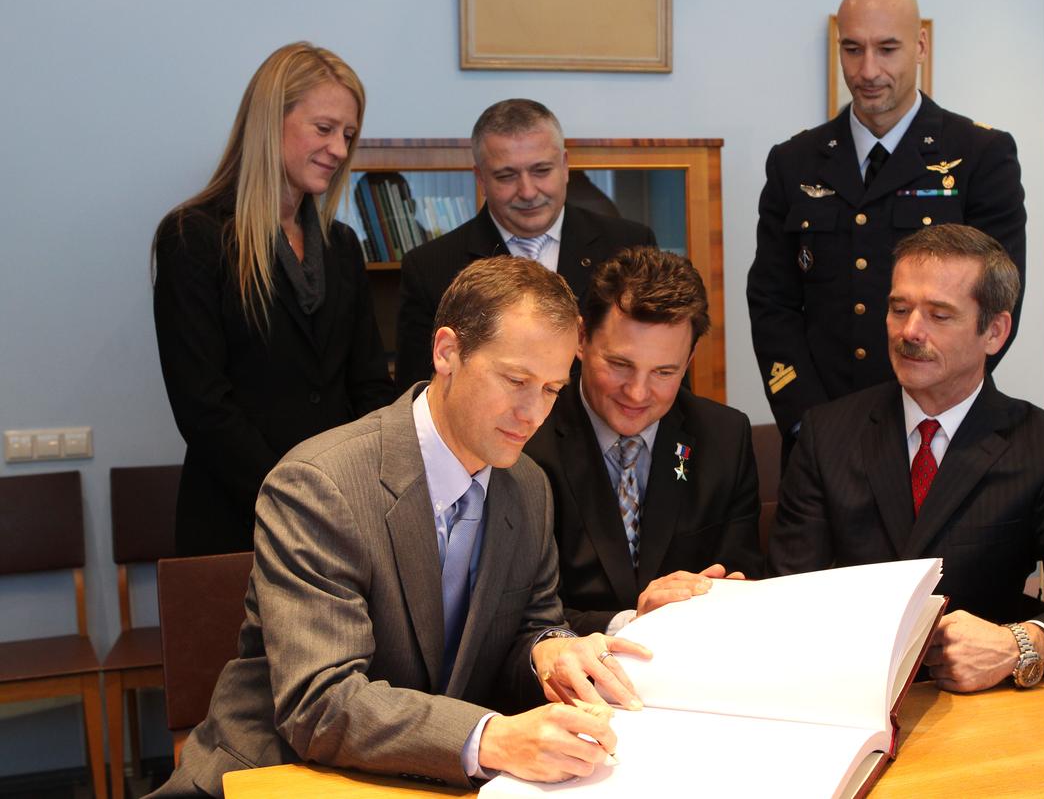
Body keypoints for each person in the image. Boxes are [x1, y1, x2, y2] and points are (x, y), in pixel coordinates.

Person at [150, 257, 652, 797]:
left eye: (552, 389)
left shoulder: (528, 486)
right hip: (277, 772)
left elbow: (529, 625)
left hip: (424, 778)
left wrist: (547, 652)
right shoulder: (319, 485)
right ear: (446, 352)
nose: (533, 414)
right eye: (515, 380)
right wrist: (491, 739)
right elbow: (319, 703)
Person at [768, 224, 1044, 692]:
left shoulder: (1043, 446)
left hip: (982, 712)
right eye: (899, 309)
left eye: (939, 315)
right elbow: (784, 597)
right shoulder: (827, 432)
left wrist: (1021, 644)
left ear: (994, 331)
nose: (909, 331)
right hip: (843, 694)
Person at [747, 0, 1026, 455]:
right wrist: (806, 422)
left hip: (939, 435)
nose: (868, 69)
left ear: (921, 46)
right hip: (819, 434)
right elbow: (772, 304)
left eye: (887, 49)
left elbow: (998, 306)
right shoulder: (794, 161)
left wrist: (929, 414)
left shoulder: (980, 154)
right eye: (852, 49)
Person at [152, 42, 395, 556]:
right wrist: (293, 497)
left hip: (342, 518)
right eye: (324, 128)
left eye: (348, 134)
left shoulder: (343, 245)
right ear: (270, 121)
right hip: (237, 521)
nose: (339, 148)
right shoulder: (192, 237)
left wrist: (364, 490)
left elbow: (369, 386)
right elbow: (203, 406)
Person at [524, 247, 764, 635]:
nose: (637, 394)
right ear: (581, 339)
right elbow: (520, 619)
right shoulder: (527, 438)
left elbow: (741, 578)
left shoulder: (725, 437)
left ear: (688, 360)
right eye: (620, 365)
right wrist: (630, 623)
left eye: (664, 372)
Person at [395, 98, 656, 390]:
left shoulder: (629, 246)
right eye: (506, 176)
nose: (528, 191)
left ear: (565, 165)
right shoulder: (430, 267)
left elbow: (660, 362)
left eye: (541, 171)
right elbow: (420, 393)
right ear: (480, 178)